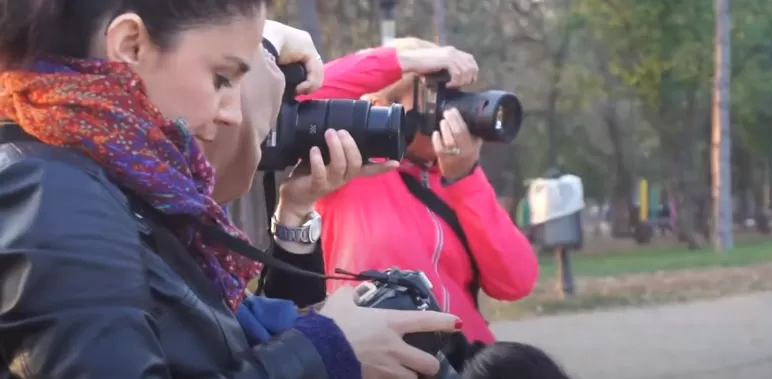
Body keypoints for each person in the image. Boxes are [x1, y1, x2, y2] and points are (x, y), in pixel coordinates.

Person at [0, 2, 460, 379]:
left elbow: (209, 344)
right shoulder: (53, 192)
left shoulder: (124, 180)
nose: (232, 113)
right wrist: (327, 350)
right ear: (130, 44)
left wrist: (325, 323)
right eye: (222, 79)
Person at [260, 37, 538, 344]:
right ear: (382, 104)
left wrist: (465, 179)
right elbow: (287, 107)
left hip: (460, 363)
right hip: (378, 362)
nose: (448, 108)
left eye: (451, 93)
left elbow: (517, 282)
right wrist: (400, 60)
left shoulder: (459, 180)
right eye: (432, 92)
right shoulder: (347, 166)